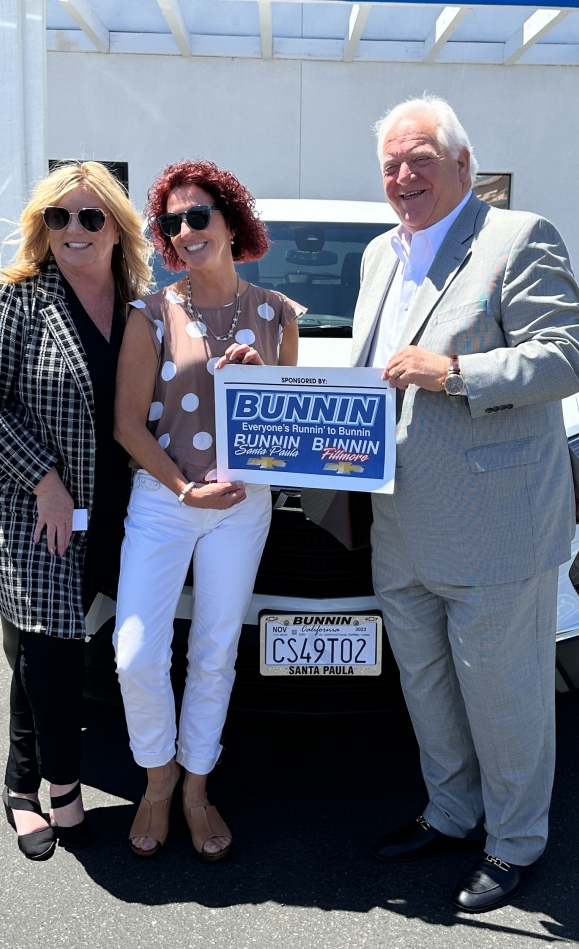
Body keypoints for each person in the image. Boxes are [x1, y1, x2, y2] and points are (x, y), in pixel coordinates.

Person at [351, 96, 579, 913]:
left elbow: (565, 356)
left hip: (493, 524)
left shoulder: (516, 238)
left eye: (420, 158)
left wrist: (453, 372)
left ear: (462, 164)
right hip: (400, 522)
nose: (403, 176)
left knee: (504, 691)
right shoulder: (380, 255)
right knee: (426, 686)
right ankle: (453, 812)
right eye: (391, 163)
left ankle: (516, 838)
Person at [113, 159, 301, 862]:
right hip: (166, 501)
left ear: (231, 223)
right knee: (136, 654)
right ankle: (155, 775)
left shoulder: (277, 314)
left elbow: (292, 426)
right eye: (171, 222)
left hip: (242, 507)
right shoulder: (152, 311)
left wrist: (267, 379)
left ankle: (194, 787)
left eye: (199, 216)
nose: (186, 232)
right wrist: (185, 490)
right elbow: (129, 423)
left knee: (215, 651)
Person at [0, 161, 151, 861]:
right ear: (43, 228)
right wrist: (44, 480)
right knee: (52, 648)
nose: (74, 230)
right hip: (41, 507)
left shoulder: (143, 306)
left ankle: (19, 777)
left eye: (91, 217)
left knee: (44, 644)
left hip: (123, 508)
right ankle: (55, 787)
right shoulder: (21, 300)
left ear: (118, 229)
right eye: (59, 217)